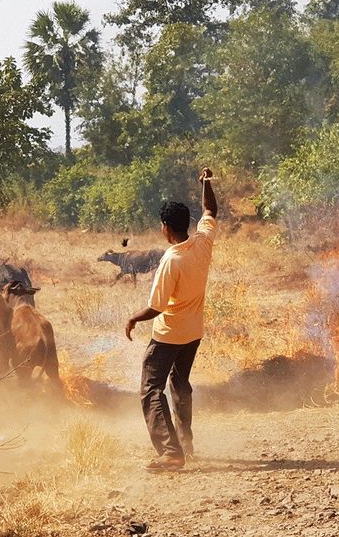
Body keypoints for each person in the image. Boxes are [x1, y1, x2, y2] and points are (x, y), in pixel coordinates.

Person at [124, 167, 218, 471]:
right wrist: (206, 183)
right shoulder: (203, 242)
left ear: (165, 227)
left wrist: (133, 319)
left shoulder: (171, 259)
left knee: (151, 388)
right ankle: (185, 441)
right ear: (185, 224)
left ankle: (171, 451)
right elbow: (211, 209)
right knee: (180, 382)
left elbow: (157, 307)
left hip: (168, 335)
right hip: (194, 332)